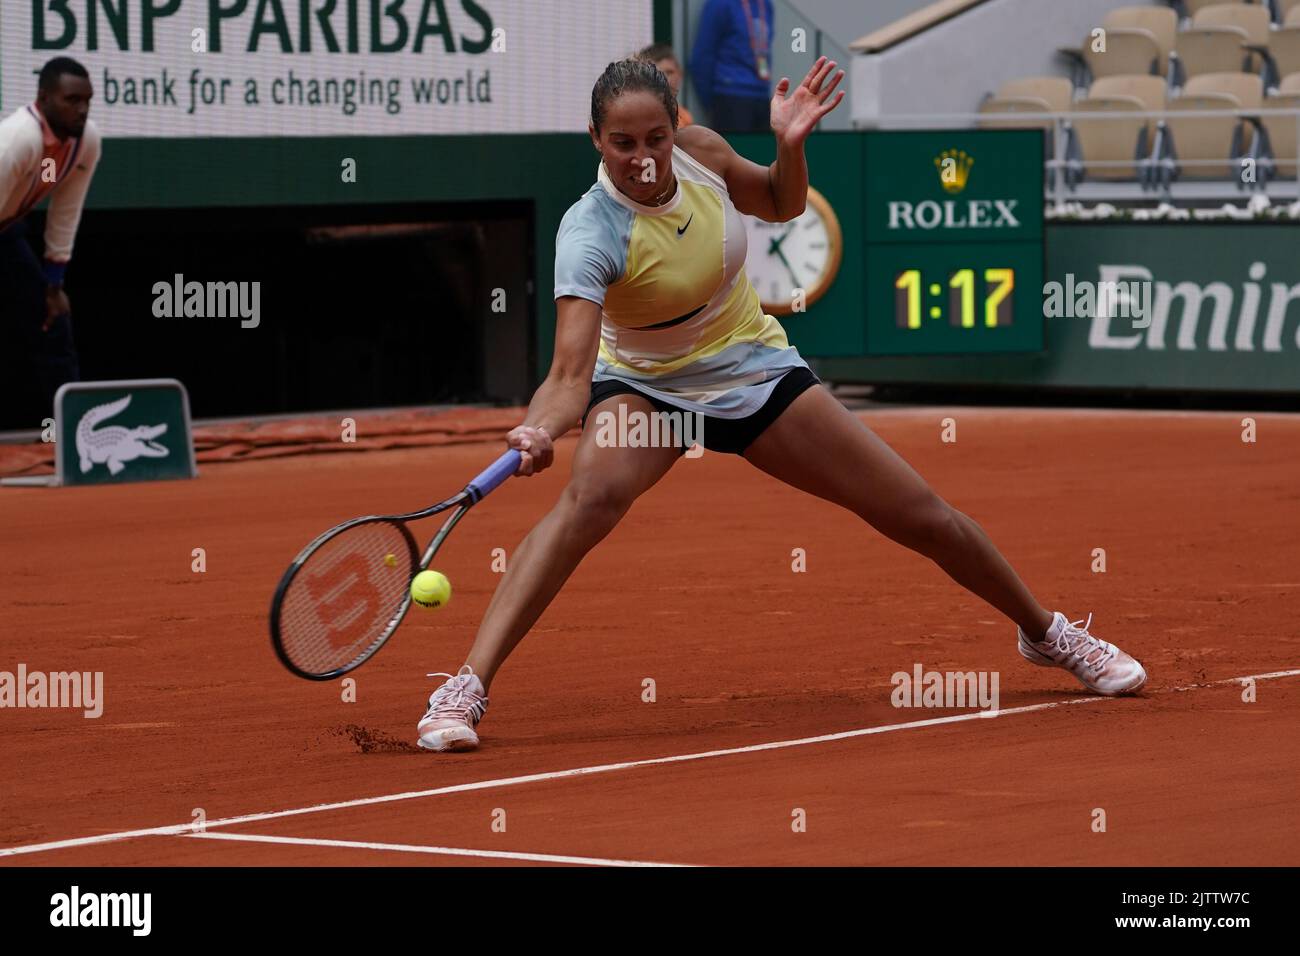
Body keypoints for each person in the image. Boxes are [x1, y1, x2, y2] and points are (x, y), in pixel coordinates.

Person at [416, 56, 1147, 753]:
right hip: (648, 386)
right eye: (622, 144)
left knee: (918, 513)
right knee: (588, 500)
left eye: (656, 139)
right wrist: (541, 427)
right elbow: (571, 376)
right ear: (595, 140)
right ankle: (466, 686)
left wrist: (789, 146)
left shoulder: (702, 153)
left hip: (753, 366)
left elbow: (781, 200)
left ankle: (1045, 633)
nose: (642, 159)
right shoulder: (588, 233)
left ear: (679, 127)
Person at [0, 57, 100, 428]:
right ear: (43, 99)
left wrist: (54, 282)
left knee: (51, 317)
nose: (82, 109)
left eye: (87, 100)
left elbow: (65, 209)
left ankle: (70, 436)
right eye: (71, 100)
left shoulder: (84, 141)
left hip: (6, 228)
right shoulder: (17, 141)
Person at [690, 0, 773, 133]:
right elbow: (703, 55)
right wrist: (712, 103)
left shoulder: (766, 4)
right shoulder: (720, 4)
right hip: (729, 96)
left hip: (762, 95)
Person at [638, 43, 694, 127]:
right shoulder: (638, 115)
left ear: (680, 74)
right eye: (656, 73)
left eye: (669, 72)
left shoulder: (685, 117)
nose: (665, 78)